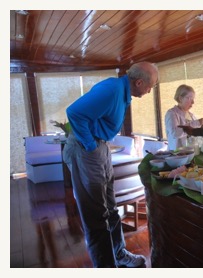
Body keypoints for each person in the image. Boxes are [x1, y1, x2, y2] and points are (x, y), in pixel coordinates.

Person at [62, 61, 159, 267]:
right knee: (96, 215)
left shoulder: (123, 92)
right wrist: (90, 146)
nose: (150, 91)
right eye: (151, 86)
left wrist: (98, 147)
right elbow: (74, 112)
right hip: (85, 148)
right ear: (140, 83)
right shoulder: (112, 89)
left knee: (111, 209)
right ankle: (106, 266)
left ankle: (119, 254)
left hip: (100, 146)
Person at [164, 84, 203, 150]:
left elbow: (195, 134)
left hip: (191, 153)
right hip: (177, 156)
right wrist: (197, 123)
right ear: (180, 98)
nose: (193, 102)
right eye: (190, 98)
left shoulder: (191, 115)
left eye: (193, 99)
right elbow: (175, 133)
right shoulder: (172, 113)